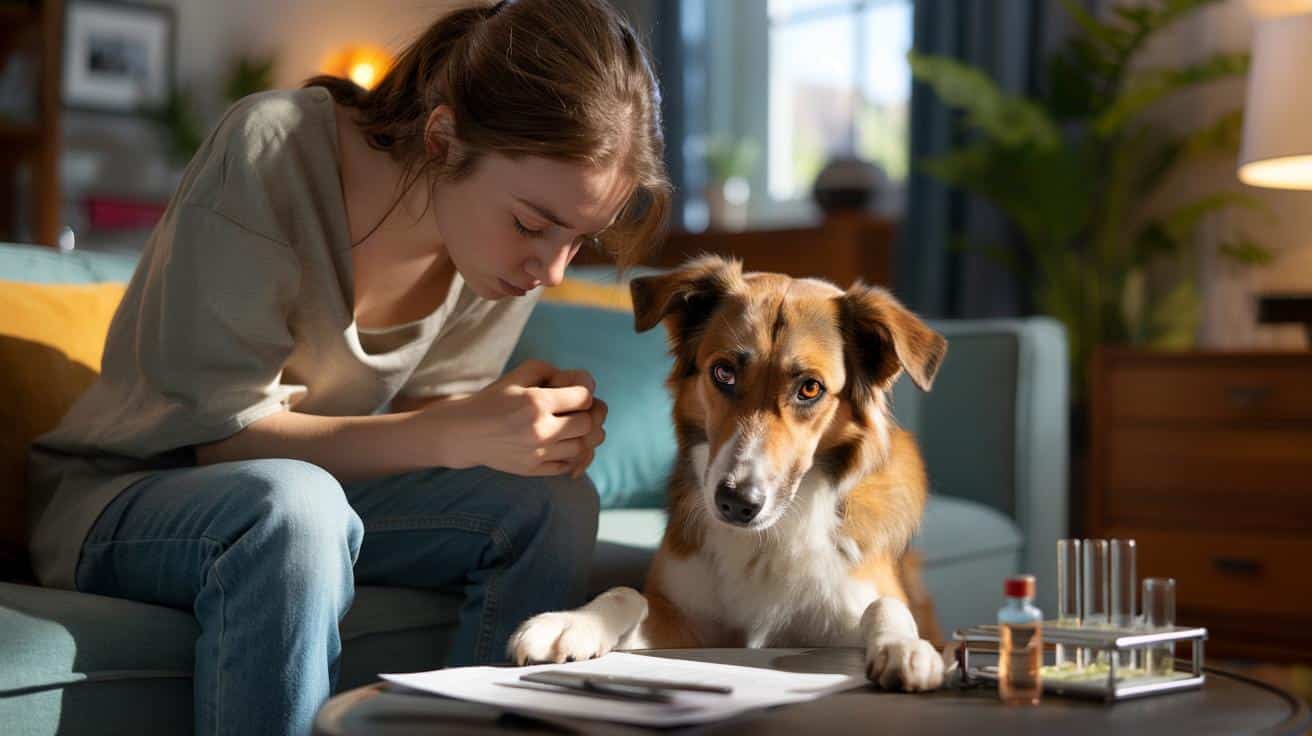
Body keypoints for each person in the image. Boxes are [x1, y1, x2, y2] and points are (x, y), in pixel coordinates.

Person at [25, 1, 670, 733]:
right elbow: (219, 434)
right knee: (298, 508)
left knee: (554, 503)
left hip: (317, 499)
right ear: (441, 138)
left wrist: (505, 432)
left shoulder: (495, 258)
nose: (550, 268)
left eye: (578, 240)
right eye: (531, 224)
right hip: (132, 491)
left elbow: (428, 427)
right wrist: (448, 433)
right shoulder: (272, 149)